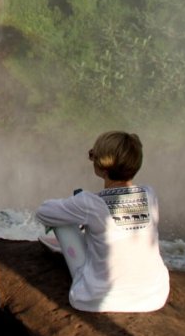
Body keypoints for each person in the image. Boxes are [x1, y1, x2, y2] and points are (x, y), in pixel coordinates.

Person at [35, 131, 170, 312]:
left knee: (64, 221)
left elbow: (44, 212)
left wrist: (76, 205)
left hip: (97, 299)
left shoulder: (89, 203)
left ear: (101, 165)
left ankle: (68, 247)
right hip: (154, 296)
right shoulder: (149, 194)